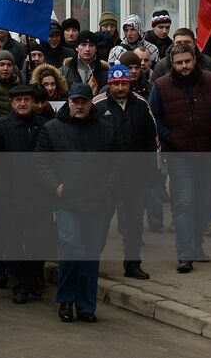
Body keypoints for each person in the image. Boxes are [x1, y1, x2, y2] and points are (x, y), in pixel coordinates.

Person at [35, 83, 116, 323]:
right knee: (71, 246)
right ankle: (65, 300)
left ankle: (86, 306)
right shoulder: (52, 129)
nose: (79, 105)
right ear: (68, 102)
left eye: (84, 101)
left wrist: (109, 187)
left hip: (96, 201)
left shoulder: (105, 129)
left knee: (90, 253)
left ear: (91, 103)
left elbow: (117, 162)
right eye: (75, 101)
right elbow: (40, 162)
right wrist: (56, 186)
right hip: (66, 201)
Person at [149, 42, 211, 272]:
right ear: (172, 65)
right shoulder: (161, 86)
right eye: (179, 63)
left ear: (194, 59)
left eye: (188, 61)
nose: (184, 66)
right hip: (179, 155)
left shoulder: (210, 80)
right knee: (184, 202)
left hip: (206, 152)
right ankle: (185, 254)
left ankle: (197, 247)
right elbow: (153, 116)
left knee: (202, 202)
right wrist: (169, 136)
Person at [93, 64, 159, 280]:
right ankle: (92, 260)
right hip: (106, 178)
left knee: (133, 221)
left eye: (124, 83)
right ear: (109, 84)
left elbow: (153, 140)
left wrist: (152, 171)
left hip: (136, 176)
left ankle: (132, 263)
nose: (120, 88)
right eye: (116, 83)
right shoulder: (98, 105)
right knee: (101, 221)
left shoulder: (141, 105)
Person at [0, 83, 47, 303]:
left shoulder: (43, 126)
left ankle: (33, 278)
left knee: (38, 240)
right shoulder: (1, 126)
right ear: (11, 103)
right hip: (10, 193)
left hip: (38, 194)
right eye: (18, 100)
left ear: (32, 102)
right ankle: (20, 285)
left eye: (26, 100)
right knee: (12, 242)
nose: (22, 104)